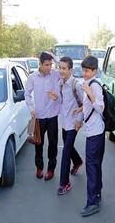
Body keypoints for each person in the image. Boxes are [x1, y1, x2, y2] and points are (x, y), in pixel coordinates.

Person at [25, 52, 60, 181]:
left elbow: (63, 65)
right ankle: (39, 167)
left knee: (53, 144)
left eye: (51, 64)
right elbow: (27, 94)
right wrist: (31, 108)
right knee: (38, 144)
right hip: (39, 116)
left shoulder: (55, 75)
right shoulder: (33, 77)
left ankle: (51, 169)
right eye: (46, 65)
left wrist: (52, 55)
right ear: (40, 64)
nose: (49, 67)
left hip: (52, 116)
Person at [79, 55, 105, 217]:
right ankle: (97, 194)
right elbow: (90, 105)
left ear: (95, 71)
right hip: (95, 131)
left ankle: (92, 202)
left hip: (95, 133)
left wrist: (89, 93)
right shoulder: (89, 84)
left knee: (91, 166)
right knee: (95, 165)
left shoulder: (94, 86)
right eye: (83, 70)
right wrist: (81, 108)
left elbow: (100, 107)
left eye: (88, 71)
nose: (85, 73)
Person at [56, 56, 84, 195]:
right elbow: (63, 102)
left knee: (66, 151)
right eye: (59, 67)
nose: (61, 70)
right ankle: (78, 161)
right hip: (64, 122)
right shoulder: (61, 83)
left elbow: (85, 104)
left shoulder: (76, 85)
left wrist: (79, 120)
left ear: (70, 70)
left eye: (64, 68)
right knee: (69, 146)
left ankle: (64, 183)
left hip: (74, 123)